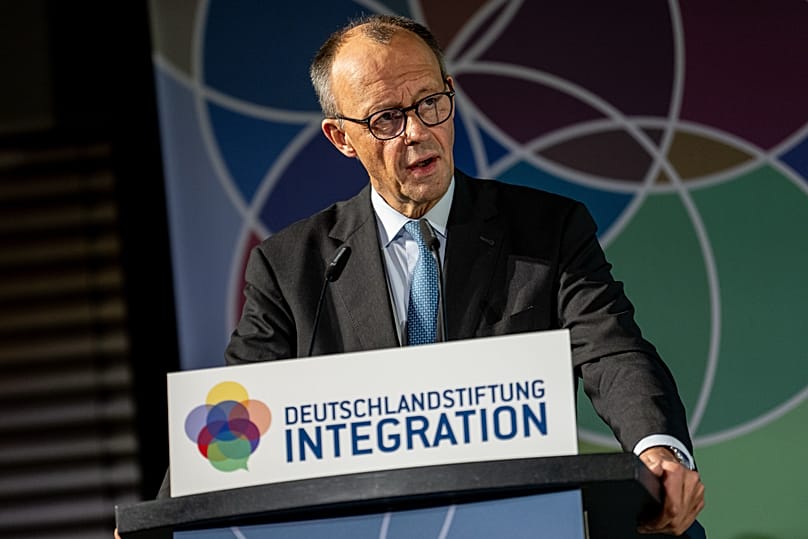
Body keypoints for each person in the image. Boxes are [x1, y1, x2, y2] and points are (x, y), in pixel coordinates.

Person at [115, 14, 703, 539]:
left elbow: (610, 350)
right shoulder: (291, 266)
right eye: (386, 118)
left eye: (430, 103)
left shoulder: (547, 229)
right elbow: (234, 414)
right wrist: (164, 521)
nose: (417, 132)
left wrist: (658, 450)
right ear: (341, 137)